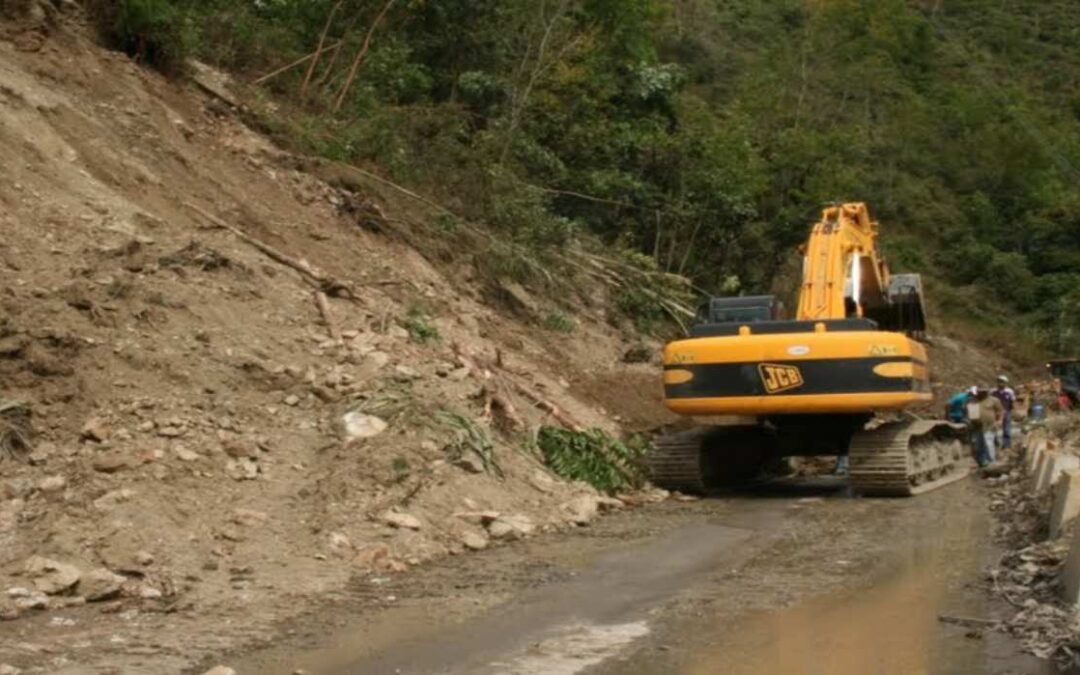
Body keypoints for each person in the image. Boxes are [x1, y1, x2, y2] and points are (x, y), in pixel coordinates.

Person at [968, 387, 1003, 468]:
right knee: (977, 445)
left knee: (988, 443)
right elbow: (969, 411)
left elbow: (1000, 411)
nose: (982, 393)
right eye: (980, 392)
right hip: (976, 426)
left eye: (983, 392)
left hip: (989, 425)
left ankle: (991, 461)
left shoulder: (994, 400)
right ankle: (981, 462)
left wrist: (999, 421)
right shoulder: (973, 400)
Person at [992, 375, 1016, 450]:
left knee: (1006, 428)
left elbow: (1012, 401)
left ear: (1005, 383)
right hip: (996, 412)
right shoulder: (993, 392)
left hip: (1006, 411)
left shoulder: (1009, 392)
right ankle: (995, 443)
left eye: (1002, 382)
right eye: (999, 382)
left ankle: (1006, 444)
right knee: (994, 428)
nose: (1000, 383)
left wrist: (1011, 410)